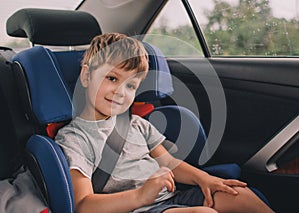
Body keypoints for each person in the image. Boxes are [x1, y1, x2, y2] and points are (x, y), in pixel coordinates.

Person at [55, 33, 274, 213]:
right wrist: (141, 196)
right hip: (133, 208)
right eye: (112, 78)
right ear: (86, 76)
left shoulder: (137, 125)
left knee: (241, 197)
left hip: (171, 198)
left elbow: (169, 162)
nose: (120, 92)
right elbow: (83, 205)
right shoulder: (76, 139)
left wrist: (205, 179)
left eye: (131, 86)